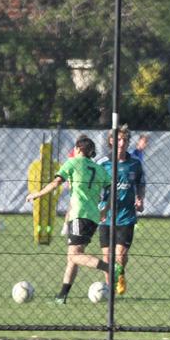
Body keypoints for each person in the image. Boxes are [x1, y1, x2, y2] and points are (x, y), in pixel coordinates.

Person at [26, 135, 112, 304]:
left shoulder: (72, 162)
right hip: (93, 217)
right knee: (72, 257)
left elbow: (55, 183)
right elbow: (111, 190)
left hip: (79, 215)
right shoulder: (99, 168)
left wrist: (37, 194)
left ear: (78, 149)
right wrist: (105, 209)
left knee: (74, 256)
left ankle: (108, 267)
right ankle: (62, 296)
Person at [97, 125, 145, 296]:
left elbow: (141, 184)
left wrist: (140, 198)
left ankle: (121, 273)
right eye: (118, 139)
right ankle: (109, 290)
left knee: (120, 257)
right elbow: (94, 187)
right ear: (111, 141)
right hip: (106, 217)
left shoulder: (135, 164)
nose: (122, 143)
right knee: (107, 257)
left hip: (126, 217)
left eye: (125, 140)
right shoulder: (103, 163)